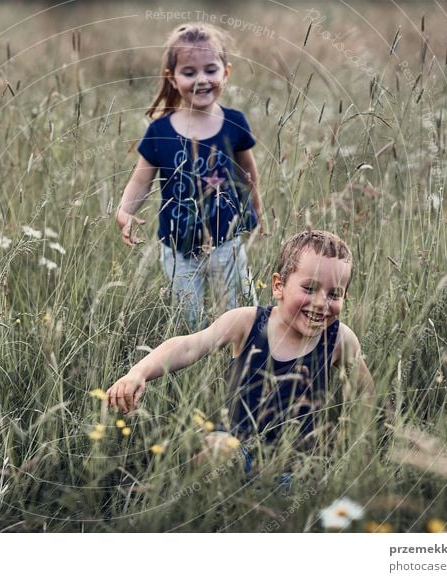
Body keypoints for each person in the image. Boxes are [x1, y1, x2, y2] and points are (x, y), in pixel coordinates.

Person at [106, 230, 375, 457]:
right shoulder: (247, 322)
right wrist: (137, 373)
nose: (320, 303)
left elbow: (367, 396)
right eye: (309, 288)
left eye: (334, 294)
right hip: (236, 450)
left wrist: (355, 442)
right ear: (278, 286)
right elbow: (189, 345)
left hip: (295, 464)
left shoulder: (339, 338)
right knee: (213, 448)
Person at [115, 23, 266, 328]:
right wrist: (124, 211)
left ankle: (238, 364)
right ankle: (195, 366)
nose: (201, 80)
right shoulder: (160, 131)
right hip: (177, 246)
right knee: (189, 320)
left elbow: (247, 173)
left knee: (238, 314)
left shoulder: (234, 123)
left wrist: (257, 211)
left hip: (227, 242)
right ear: (172, 77)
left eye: (211, 70)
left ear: (226, 72)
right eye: (189, 72)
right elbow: (140, 180)